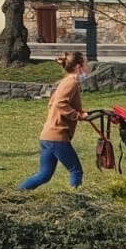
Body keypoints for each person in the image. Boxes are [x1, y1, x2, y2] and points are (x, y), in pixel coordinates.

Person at [19, 51, 88, 191]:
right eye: (86, 63)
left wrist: (79, 112)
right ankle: (77, 202)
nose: (88, 66)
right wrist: (78, 115)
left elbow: (52, 103)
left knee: (44, 175)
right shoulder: (71, 82)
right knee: (76, 171)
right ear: (78, 67)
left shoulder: (65, 81)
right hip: (57, 137)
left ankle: (17, 193)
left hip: (47, 136)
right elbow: (60, 104)